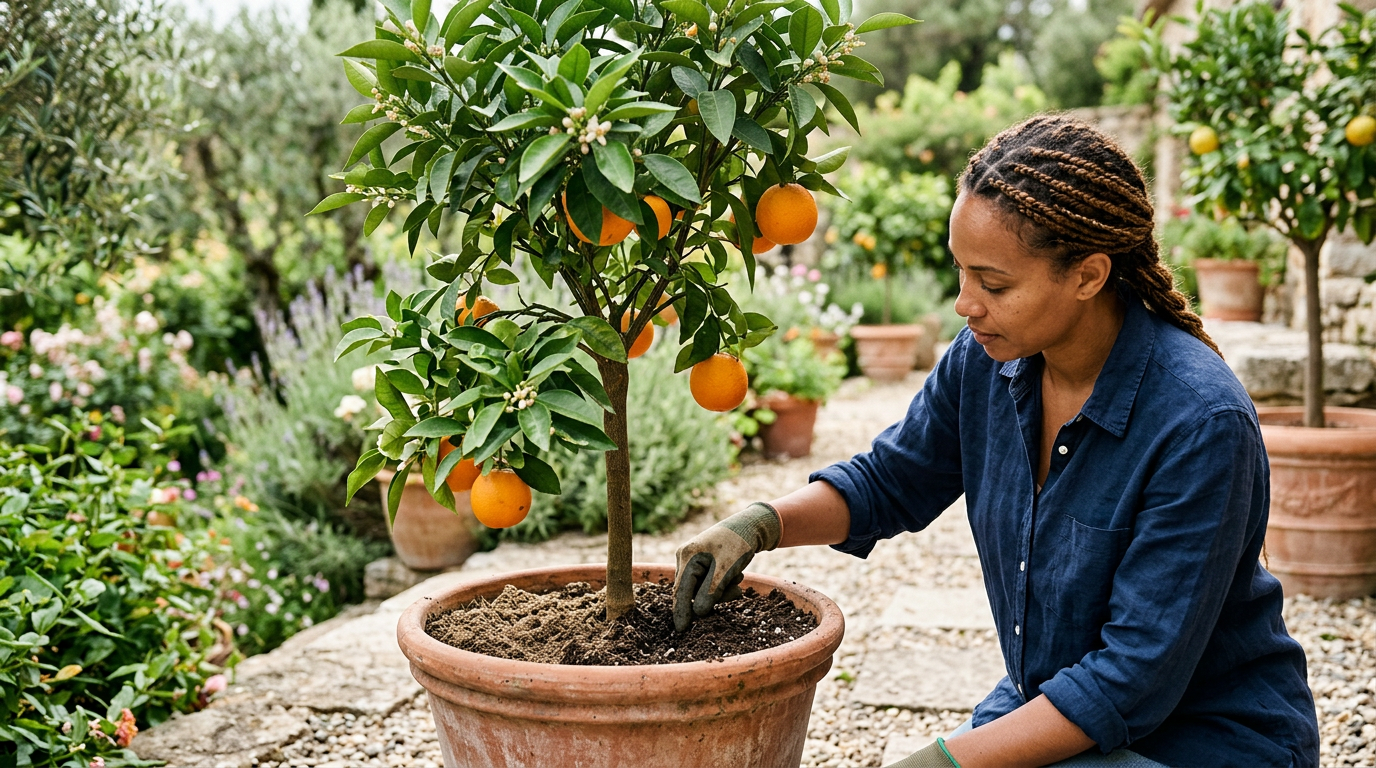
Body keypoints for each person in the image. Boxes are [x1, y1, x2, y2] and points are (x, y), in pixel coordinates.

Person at [671, 115, 1319, 768]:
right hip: (1051, 707)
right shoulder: (986, 360)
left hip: (1203, 740)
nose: (964, 304)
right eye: (961, 273)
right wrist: (760, 524)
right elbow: (892, 480)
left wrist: (946, 761)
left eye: (994, 284)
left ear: (1089, 275)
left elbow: (1130, 677)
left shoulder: (1197, 421)